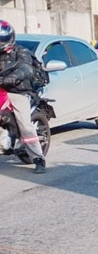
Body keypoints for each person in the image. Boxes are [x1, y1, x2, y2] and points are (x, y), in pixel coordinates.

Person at [0, 21, 46, 174]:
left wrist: (13, 78)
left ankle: (38, 158)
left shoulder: (21, 51)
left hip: (18, 91)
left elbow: (26, 67)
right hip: (1, 89)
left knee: (25, 124)